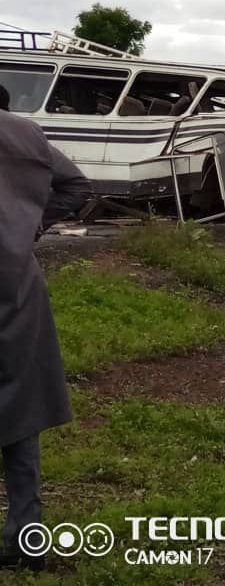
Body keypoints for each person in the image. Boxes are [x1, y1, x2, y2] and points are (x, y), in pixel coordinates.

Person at [0, 87, 92, 572]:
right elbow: (77, 187)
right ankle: (25, 540)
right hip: (17, 285)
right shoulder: (28, 134)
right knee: (22, 406)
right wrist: (29, 226)